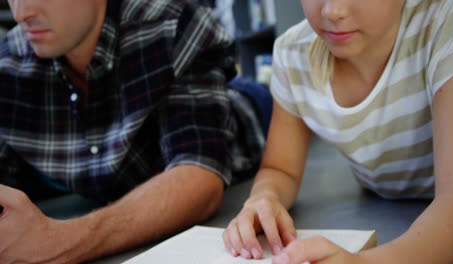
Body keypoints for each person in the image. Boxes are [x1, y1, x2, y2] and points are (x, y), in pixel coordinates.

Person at [0, 0, 270, 263]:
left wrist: (58, 241)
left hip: (246, 114)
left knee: (277, 91)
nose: (22, 12)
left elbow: (198, 177)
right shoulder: (8, 64)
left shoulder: (171, 24)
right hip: (123, 169)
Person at [223, 0, 453, 263]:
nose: (333, 11)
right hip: (386, 209)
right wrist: (264, 198)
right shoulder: (293, 53)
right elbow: (280, 169)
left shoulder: (450, 22)